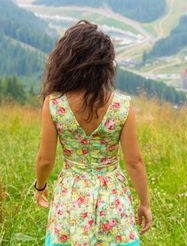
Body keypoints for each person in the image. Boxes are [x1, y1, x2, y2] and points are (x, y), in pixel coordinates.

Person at [34, 20, 152, 245]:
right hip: (111, 198)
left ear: (67, 60)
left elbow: (45, 159)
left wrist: (40, 187)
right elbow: (134, 162)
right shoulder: (122, 106)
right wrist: (144, 203)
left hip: (70, 198)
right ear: (105, 64)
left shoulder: (54, 104)